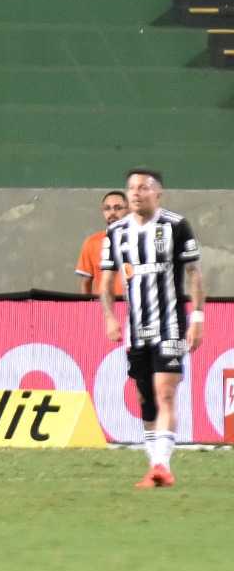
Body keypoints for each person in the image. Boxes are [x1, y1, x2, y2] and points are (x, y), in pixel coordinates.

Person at [99, 167, 205, 489]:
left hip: (171, 326)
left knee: (165, 392)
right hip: (136, 330)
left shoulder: (175, 225)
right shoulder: (115, 233)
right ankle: (154, 465)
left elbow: (194, 274)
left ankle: (162, 464)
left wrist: (198, 318)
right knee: (145, 397)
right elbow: (105, 282)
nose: (135, 193)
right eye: (131, 188)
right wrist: (109, 316)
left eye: (143, 188)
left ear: (157, 194)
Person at [76, 191, 128, 297]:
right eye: (107, 208)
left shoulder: (144, 240)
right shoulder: (91, 243)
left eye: (118, 208)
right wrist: (87, 311)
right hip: (103, 310)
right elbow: (86, 283)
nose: (112, 212)